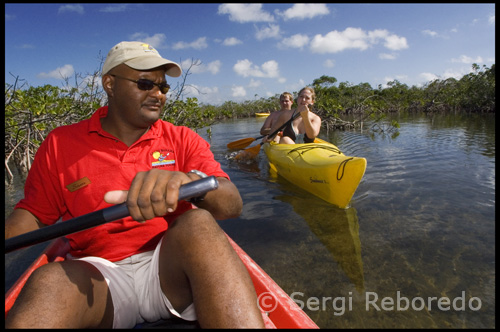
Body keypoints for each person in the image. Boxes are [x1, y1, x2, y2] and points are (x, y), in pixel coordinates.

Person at [5, 41, 265, 329]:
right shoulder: (59, 143)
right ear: (109, 84)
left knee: (198, 223)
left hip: (169, 269)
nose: (158, 95)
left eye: (163, 87)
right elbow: (34, 214)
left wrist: (188, 182)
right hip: (100, 278)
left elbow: (232, 204)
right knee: (49, 279)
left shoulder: (182, 138)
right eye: (145, 84)